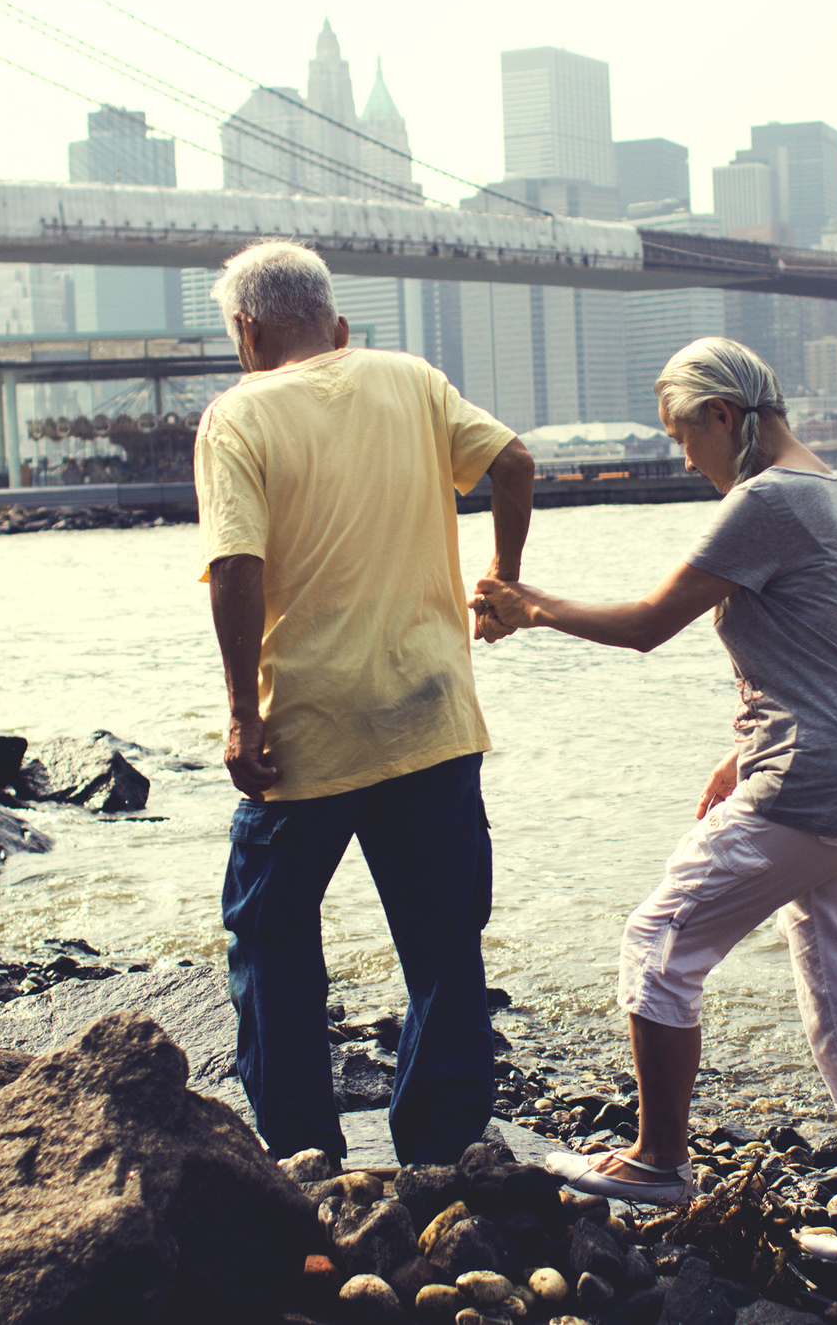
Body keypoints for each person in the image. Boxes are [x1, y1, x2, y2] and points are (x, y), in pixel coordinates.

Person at [473, 337, 837, 1270]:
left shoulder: (764, 500)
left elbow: (650, 625)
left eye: (683, 435)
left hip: (808, 786)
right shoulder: (831, 494)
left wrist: (529, 604)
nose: (682, 457)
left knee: (657, 943)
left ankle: (656, 1160)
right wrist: (739, 750)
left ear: (725, 416)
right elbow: (824, 651)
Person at [195, 240, 536, 1167]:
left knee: (271, 938)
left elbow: (235, 566)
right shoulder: (415, 381)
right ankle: (442, 1152)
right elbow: (515, 464)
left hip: (307, 733)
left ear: (247, 332)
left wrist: (240, 713)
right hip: (432, 715)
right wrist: (502, 582)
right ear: (339, 327)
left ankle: (304, 1154)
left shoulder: (237, 416)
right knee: (443, 947)